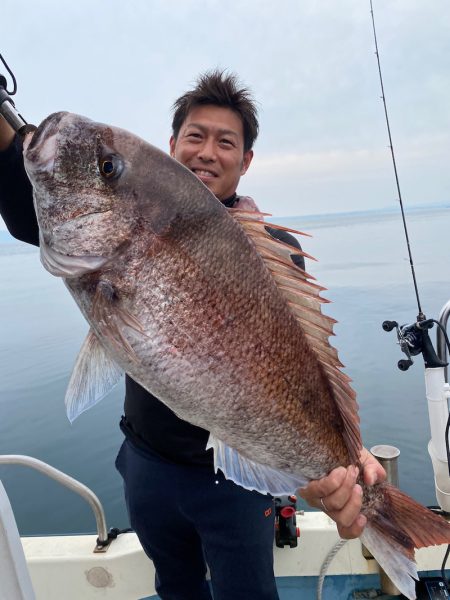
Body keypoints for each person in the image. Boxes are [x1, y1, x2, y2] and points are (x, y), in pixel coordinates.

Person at [0, 70, 385, 600]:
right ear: (173, 144)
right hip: (148, 464)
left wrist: (342, 457)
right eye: (195, 136)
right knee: (175, 587)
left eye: (226, 141)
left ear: (245, 161)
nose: (208, 151)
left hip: (234, 484)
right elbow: (30, 202)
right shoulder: (131, 212)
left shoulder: (273, 251)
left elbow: (306, 365)